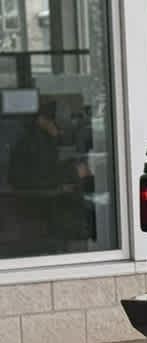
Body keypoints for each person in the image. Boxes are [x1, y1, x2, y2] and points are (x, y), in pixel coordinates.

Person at [6, 99, 93, 246]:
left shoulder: (38, 138)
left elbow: (46, 169)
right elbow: (38, 176)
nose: (61, 131)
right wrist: (73, 172)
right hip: (38, 206)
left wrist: (69, 169)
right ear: (42, 120)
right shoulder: (34, 142)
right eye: (57, 126)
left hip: (42, 198)